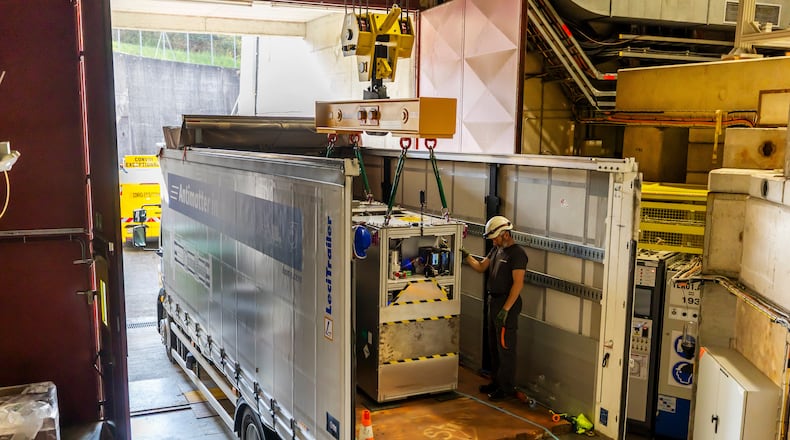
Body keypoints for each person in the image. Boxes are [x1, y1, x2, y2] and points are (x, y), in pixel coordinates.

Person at [462, 215, 527, 401]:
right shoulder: (496, 250)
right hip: (494, 301)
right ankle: (497, 382)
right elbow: (482, 267)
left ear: (505, 234)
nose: (493, 241)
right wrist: (467, 256)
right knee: (494, 345)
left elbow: (518, 285)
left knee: (506, 347)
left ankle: (506, 388)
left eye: (495, 237)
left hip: (507, 304)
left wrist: (505, 310)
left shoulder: (518, 254)